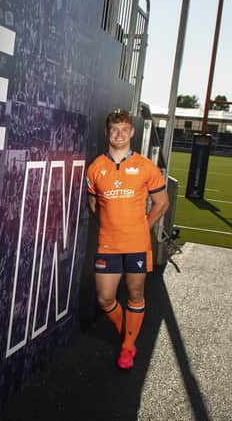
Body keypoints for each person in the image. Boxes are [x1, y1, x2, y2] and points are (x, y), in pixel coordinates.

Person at [86, 109, 169, 369]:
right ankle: (128, 333)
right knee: (105, 299)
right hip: (108, 243)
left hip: (137, 244)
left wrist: (144, 226)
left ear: (132, 132)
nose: (119, 135)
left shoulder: (146, 166)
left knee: (135, 293)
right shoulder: (96, 167)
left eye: (124, 129)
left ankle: (127, 346)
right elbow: (93, 203)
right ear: (107, 133)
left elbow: (161, 203)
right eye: (114, 130)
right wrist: (111, 225)